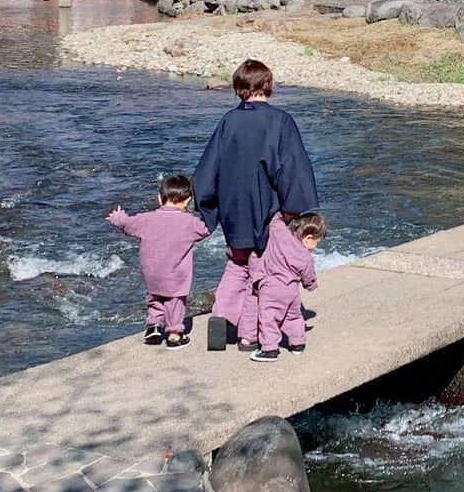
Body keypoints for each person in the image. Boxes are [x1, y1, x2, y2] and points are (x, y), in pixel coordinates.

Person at [193, 58, 318, 352]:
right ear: (268, 86)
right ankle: (255, 332)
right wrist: (292, 210)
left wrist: (211, 210)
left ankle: (222, 314)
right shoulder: (281, 121)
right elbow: (292, 169)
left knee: (237, 264)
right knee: (263, 271)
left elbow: (206, 171)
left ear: (238, 89)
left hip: (234, 209)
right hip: (267, 211)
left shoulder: (227, 122)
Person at [106, 173, 210, 349]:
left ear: (160, 198)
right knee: (174, 301)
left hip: (151, 273)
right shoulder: (190, 222)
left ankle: (153, 326)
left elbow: (128, 224)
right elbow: (206, 229)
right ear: (187, 201)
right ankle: (175, 334)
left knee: (154, 298)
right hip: (175, 275)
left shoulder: (146, 219)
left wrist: (118, 218)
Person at [250, 212, 324, 362]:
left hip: (272, 286)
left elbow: (274, 220)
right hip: (292, 290)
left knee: (268, 318)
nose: (315, 246)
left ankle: (269, 348)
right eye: (318, 242)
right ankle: (298, 343)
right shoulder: (306, 257)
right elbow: (308, 276)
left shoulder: (280, 234)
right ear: (308, 238)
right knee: (294, 316)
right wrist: (311, 285)